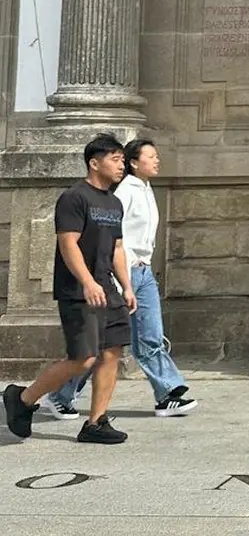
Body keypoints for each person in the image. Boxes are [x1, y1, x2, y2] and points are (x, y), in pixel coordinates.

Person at [41, 139, 198, 420]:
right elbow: (92, 241)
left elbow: (120, 242)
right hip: (109, 276)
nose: (157, 160)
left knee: (137, 338)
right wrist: (104, 280)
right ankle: (53, 395)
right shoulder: (117, 193)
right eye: (151, 156)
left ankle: (166, 393)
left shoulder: (140, 192)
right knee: (95, 348)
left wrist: (130, 283)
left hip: (140, 272)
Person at [3, 133, 138, 445]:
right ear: (94, 162)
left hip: (109, 289)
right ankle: (22, 398)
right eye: (115, 160)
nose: (121, 166)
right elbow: (68, 244)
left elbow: (117, 248)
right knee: (83, 358)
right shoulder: (74, 197)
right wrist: (87, 281)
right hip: (79, 290)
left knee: (111, 353)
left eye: (122, 160)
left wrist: (127, 286)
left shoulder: (114, 202)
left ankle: (96, 422)